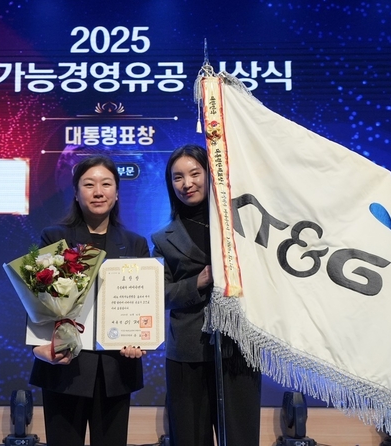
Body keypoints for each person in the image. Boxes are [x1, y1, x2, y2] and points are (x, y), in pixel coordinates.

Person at [29, 155, 150, 446]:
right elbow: (36, 297)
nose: (98, 192)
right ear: (75, 192)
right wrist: (38, 347)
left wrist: (139, 339)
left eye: (106, 184)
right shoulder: (54, 237)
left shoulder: (135, 243)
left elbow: (142, 303)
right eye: (89, 184)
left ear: (117, 193)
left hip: (115, 369)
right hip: (64, 366)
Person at [151, 144, 262, 446]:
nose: (186, 184)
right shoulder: (162, 239)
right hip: (188, 352)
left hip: (239, 347)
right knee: (190, 437)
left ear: (210, 174)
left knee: (241, 437)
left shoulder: (241, 226)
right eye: (177, 177)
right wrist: (197, 283)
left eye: (194, 174)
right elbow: (158, 294)